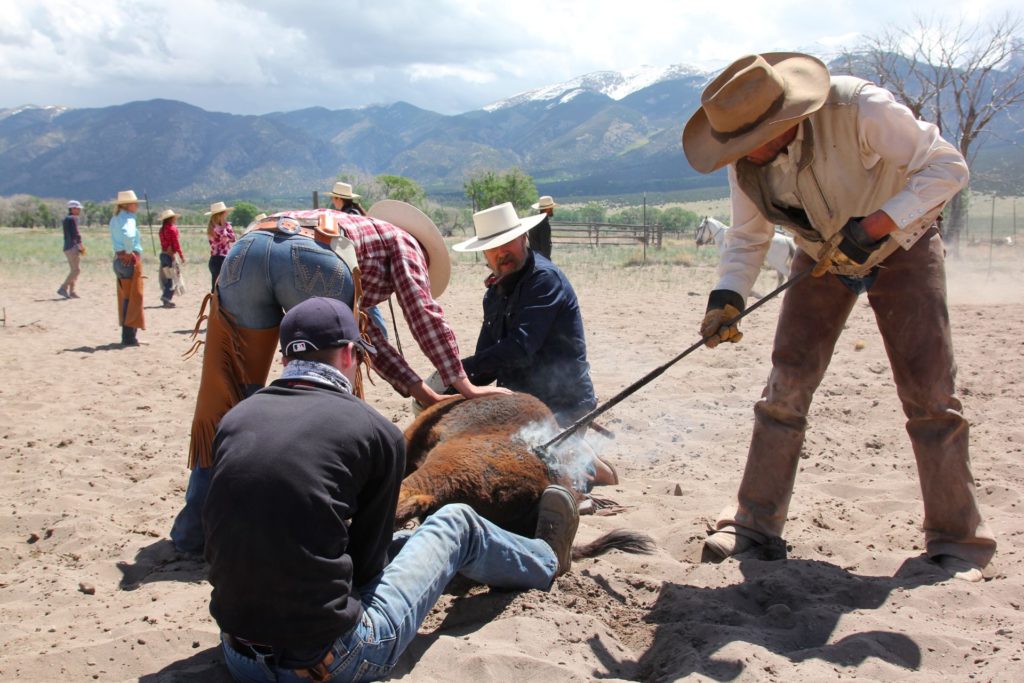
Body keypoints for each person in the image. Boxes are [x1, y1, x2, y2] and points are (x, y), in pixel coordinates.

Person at [682, 52, 996, 580]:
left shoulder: (861, 108)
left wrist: (877, 225)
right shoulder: (745, 162)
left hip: (905, 244)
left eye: (747, 142)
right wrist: (726, 297)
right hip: (819, 254)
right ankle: (755, 525)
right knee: (786, 383)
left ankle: (957, 541)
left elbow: (948, 166)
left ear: (786, 119)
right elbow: (748, 238)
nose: (740, 155)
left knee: (930, 393)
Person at [203, 297, 579, 682]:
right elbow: (368, 564)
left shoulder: (235, 419)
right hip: (331, 663)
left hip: (240, 657)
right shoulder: (373, 430)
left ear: (285, 361)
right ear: (350, 355)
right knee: (456, 523)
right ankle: (546, 557)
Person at [170, 201, 509, 555]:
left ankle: (194, 530)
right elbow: (421, 312)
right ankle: (325, 516)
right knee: (326, 391)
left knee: (227, 395)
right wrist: (460, 381)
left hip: (248, 247)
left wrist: (423, 391)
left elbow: (371, 339)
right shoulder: (407, 244)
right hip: (313, 257)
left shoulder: (361, 234)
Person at [453, 202, 616, 488]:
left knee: (544, 473)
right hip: (520, 404)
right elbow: (486, 358)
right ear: (484, 254)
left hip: (562, 402)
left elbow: (520, 347)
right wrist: (456, 381)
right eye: (492, 247)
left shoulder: (544, 279)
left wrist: (457, 370)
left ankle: (595, 468)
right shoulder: (494, 293)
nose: (501, 252)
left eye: (508, 242)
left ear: (523, 238)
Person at [324, 181, 388, 336]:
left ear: (339, 199)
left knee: (366, 304)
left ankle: (381, 335)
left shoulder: (348, 216)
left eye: (334, 198)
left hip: (358, 265)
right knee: (366, 304)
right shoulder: (355, 213)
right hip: (364, 263)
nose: (333, 201)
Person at [109, 190, 145, 347]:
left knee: (125, 298)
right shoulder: (129, 218)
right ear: (127, 205)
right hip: (129, 260)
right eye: (134, 203)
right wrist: (129, 253)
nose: (136, 205)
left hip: (118, 259)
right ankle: (129, 337)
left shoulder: (115, 219)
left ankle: (127, 335)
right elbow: (129, 235)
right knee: (134, 298)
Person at [157, 209, 186, 308]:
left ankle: (166, 297)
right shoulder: (172, 229)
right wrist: (181, 256)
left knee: (168, 277)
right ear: (171, 218)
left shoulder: (161, 230)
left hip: (163, 255)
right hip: (170, 256)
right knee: (174, 277)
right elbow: (176, 244)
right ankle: (166, 297)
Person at [205, 201, 236, 291]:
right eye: (224, 212)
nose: (226, 214)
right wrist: (224, 226)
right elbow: (228, 237)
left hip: (216, 259)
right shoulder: (219, 228)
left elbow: (233, 238)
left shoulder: (214, 226)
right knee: (221, 288)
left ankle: (214, 304)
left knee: (216, 288)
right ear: (221, 214)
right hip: (221, 259)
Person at [58, 200, 84, 299]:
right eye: (77, 208)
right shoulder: (73, 219)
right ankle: (63, 288)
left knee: (74, 270)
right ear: (72, 209)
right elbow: (76, 234)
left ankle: (72, 291)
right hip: (73, 247)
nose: (79, 210)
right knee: (76, 270)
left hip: (67, 247)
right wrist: (80, 246)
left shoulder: (66, 219)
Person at [528, 195, 556, 259]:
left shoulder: (535, 221)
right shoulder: (544, 224)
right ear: (548, 209)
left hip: (534, 257)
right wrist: (547, 261)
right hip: (541, 259)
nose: (552, 209)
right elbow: (545, 246)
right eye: (552, 208)